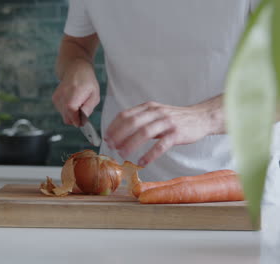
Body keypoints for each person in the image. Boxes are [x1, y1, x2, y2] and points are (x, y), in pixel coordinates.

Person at [52, 0, 279, 204]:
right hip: (121, 190)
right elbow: (76, 44)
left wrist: (204, 116)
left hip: (240, 190)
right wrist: (77, 68)